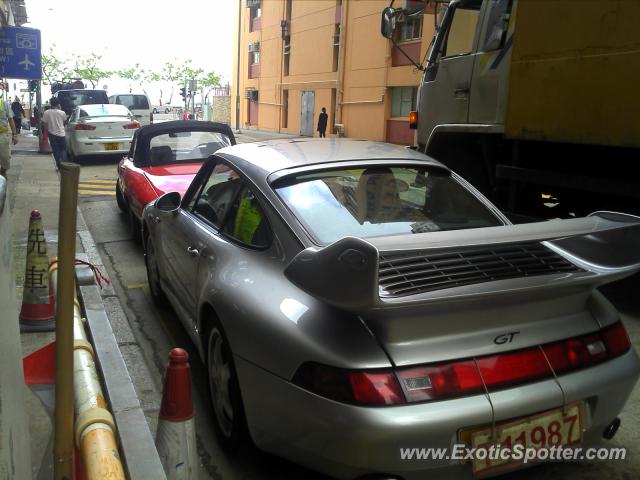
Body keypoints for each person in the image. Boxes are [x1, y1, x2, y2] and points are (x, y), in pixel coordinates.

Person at [42, 98, 68, 170]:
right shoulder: (62, 113)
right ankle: (65, 165)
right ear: (58, 104)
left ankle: (59, 165)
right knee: (63, 150)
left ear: (51, 103)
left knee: (56, 150)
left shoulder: (47, 112)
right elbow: (64, 123)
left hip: (52, 134)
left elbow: (45, 124)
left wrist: (48, 131)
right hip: (62, 134)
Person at [0, 96, 18, 178]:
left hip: (2, 135)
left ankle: (3, 171)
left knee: (5, 157)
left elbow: (11, 120)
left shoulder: (4, 104)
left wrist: (14, 135)